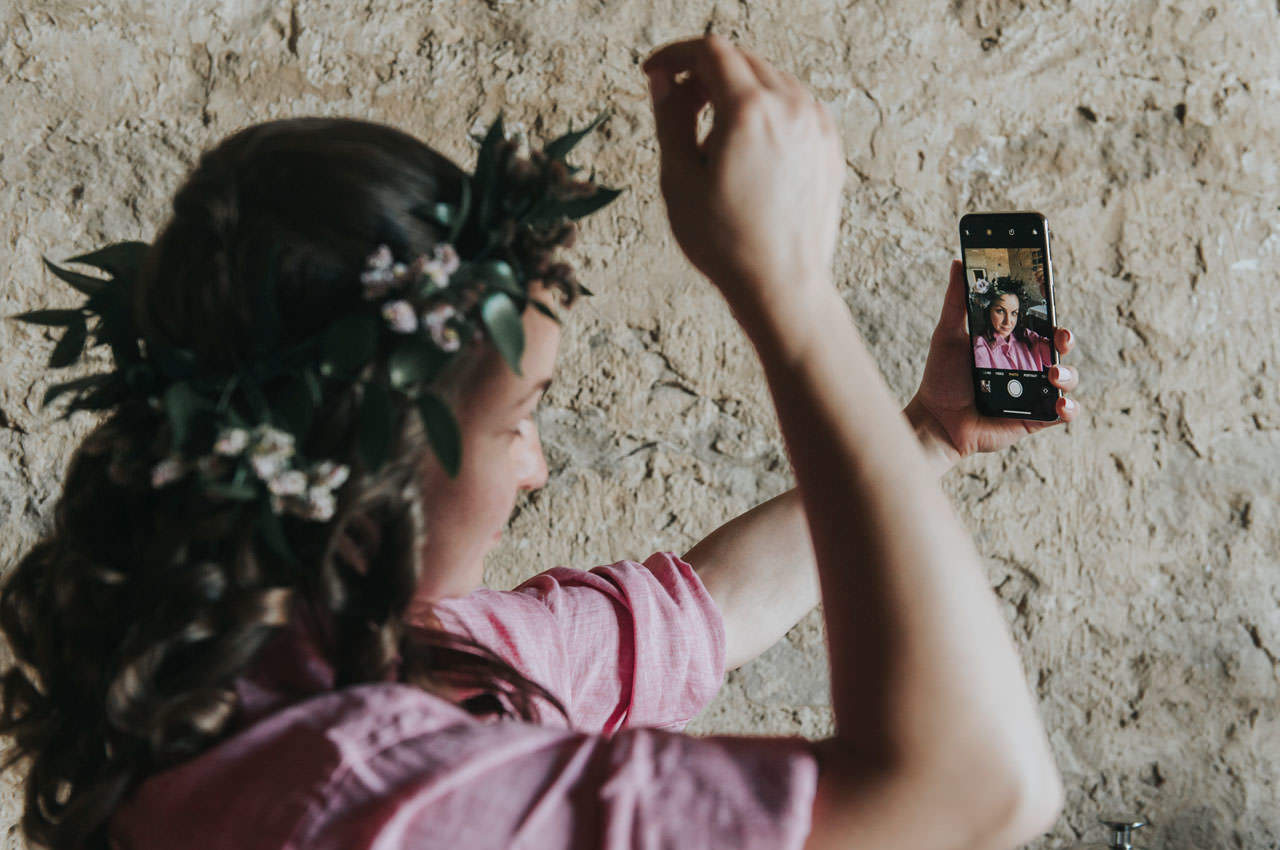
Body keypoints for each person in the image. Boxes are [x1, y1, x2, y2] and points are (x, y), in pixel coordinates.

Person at [0, 32, 1085, 850]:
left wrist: (926, 437)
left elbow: (705, 610)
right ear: (372, 453)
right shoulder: (377, 803)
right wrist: (789, 297)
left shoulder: (352, 669)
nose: (537, 465)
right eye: (516, 422)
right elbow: (979, 783)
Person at [972, 282, 1054, 371]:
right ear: (988, 311)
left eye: (1014, 313)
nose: (1008, 322)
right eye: (1000, 311)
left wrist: (1049, 297)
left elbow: (1053, 356)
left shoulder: (1027, 336)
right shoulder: (980, 346)